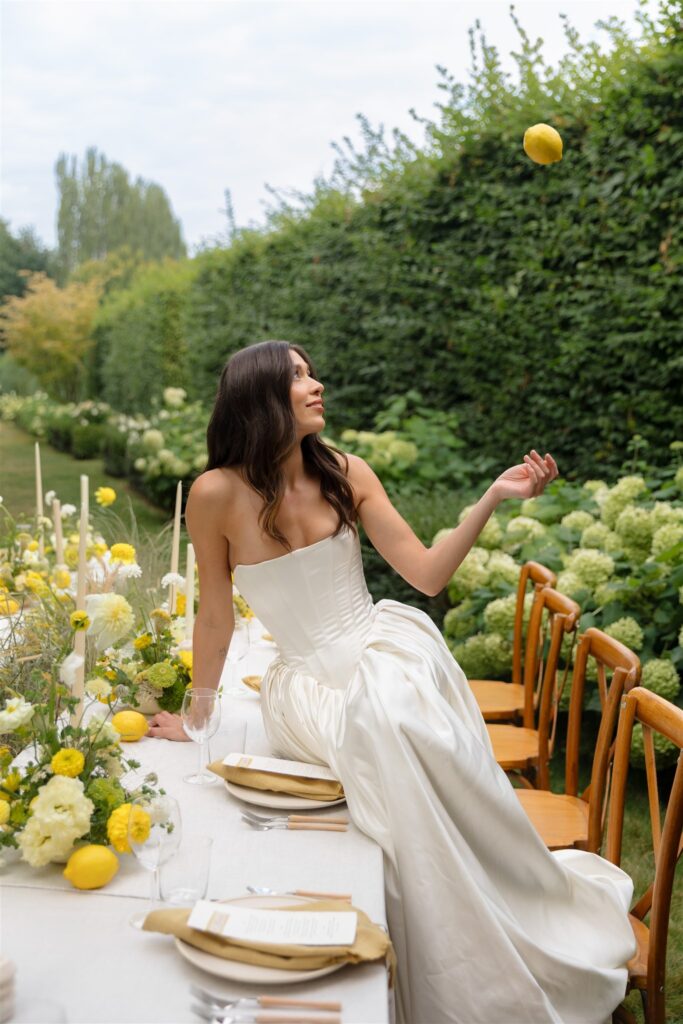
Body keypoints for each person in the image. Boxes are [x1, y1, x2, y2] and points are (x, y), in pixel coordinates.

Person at [148, 339, 636, 1024]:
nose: (316, 384)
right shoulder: (215, 493)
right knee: (377, 729)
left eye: (312, 370)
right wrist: (198, 716)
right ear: (258, 398)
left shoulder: (347, 472)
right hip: (303, 688)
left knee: (388, 713)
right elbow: (216, 617)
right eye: (297, 377)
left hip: (382, 652)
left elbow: (428, 574)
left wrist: (493, 496)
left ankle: (465, 923)